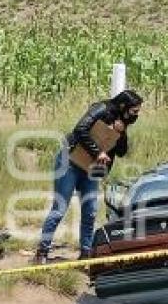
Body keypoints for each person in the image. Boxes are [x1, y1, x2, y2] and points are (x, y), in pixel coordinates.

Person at [35, 89, 144, 264]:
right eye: (134, 111)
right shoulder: (101, 108)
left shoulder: (122, 122)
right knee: (59, 209)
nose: (135, 115)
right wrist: (97, 152)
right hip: (69, 162)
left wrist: (121, 133)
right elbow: (80, 129)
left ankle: (86, 253)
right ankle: (42, 251)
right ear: (124, 105)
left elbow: (122, 152)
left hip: (91, 169)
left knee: (90, 211)